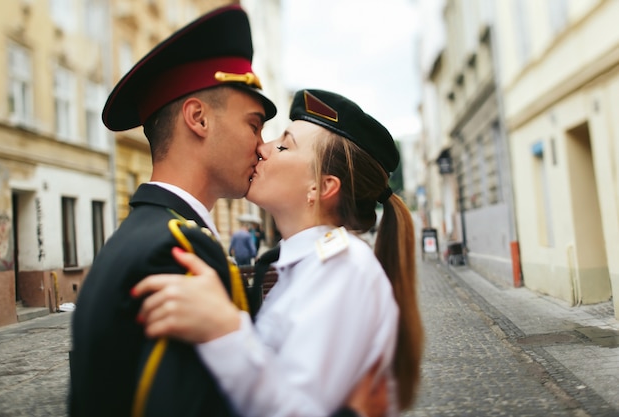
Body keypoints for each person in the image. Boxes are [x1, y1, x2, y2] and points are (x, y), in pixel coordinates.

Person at [133, 89, 424, 416]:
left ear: (321, 187)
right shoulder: (301, 266)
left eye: (284, 145)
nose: (263, 148)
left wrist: (225, 330)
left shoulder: (342, 268)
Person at [69, 6, 277, 417]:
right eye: (254, 125)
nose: (262, 145)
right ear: (198, 118)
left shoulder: (137, 237)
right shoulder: (177, 250)